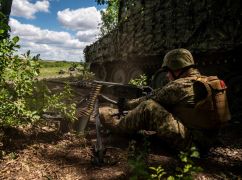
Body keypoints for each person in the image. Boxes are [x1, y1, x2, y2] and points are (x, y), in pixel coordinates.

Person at [99, 48, 231, 152]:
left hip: (194, 144)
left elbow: (152, 99)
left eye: (169, 71)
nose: (167, 76)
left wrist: (127, 104)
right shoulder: (205, 80)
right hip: (207, 139)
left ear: (178, 68)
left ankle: (116, 125)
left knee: (148, 107)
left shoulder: (180, 85)